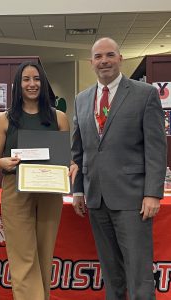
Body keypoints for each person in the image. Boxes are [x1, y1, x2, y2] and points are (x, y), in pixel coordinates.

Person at [71, 37, 167, 300]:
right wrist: (77, 191)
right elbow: (79, 151)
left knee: (138, 273)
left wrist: (153, 193)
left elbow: (156, 148)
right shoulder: (82, 99)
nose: (104, 61)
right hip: (96, 199)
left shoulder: (144, 94)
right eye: (99, 57)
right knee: (111, 272)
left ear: (120, 58)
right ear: (91, 62)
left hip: (132, 199)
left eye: (110, 55)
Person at [0, 61, 77, 300]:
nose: (32, 84)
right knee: (23, 256)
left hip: (50, 191)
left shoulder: (59, 118)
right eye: (26, 79)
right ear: (18, 85)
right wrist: (2, 163)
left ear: (43, 83)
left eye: (36, 79)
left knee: (44, 253)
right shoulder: (4, 120)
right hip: (16, 191)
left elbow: (65, 160)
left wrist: (72, 165)